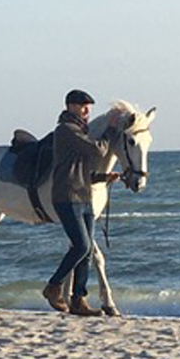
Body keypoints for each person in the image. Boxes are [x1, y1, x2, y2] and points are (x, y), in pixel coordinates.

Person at [43, 89, 120, 316]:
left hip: (84, 196)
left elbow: (82, 170)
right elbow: (97, 150)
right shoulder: (66, 130)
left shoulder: (81, 130)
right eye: (81, 105)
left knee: (85, 253)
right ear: (69, 106)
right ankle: (53, 286)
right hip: (67, 197)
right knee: (82, 246)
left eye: (88, 106)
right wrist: (112, 128)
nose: (86, 109)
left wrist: (103, 178)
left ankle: (78, 300)